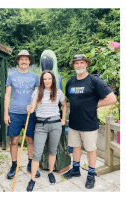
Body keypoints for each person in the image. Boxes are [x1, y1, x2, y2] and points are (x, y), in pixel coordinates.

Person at [63, 54, 117, 189]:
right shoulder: (70, 82)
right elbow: (70, 97)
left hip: (89, 123)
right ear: (73, 66)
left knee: (91, 150)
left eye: (82, 62)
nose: (79, 65)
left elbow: (112, 98)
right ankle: (76, 170)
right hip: (74, 123)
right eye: (76, 63)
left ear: (86, 64)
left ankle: (91, 175)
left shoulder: (94, 81)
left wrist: (95, 105)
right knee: (75, 147)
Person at [26, 70, 67, 192]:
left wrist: (63, 119)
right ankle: (32, 179)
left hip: (55, 124)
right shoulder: (37, 92)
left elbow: (64, 105)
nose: (47, 81)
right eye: (45, 79)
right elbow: (32, 108)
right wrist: (30, 108)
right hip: (41, 125)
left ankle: (50, 172)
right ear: (42, 80)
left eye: (49, 79)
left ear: (53, 80)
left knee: (52, 150)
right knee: (37, 153)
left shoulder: (58, 92)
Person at [4, 50, 40, 179]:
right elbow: (7, 95)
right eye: (21, 59)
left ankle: (31, 164)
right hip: (14, 113)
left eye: (26, 59)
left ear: (29, 61)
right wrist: (6, 113)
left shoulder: (35, 77)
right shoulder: (11, 76)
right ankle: (14, 165)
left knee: (31, 140)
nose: (24, 61)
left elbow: (36, 95)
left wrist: (33, 107)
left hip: (30, 114)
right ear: (18, 61)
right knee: (14, 140)